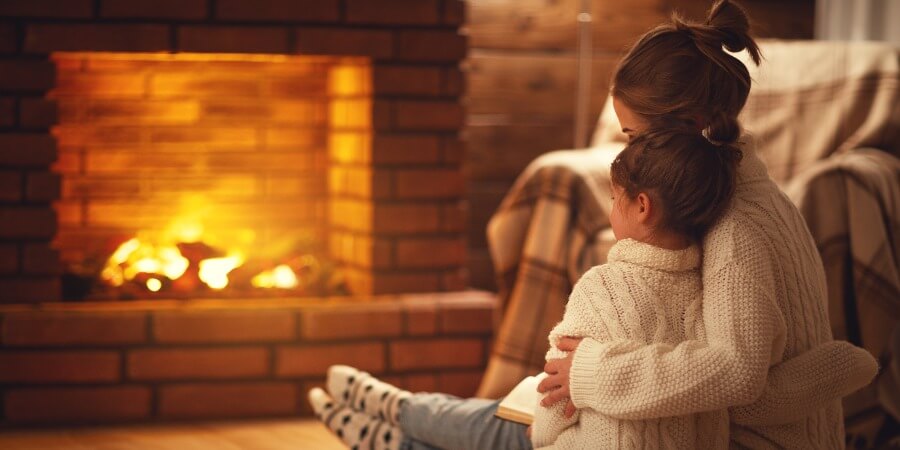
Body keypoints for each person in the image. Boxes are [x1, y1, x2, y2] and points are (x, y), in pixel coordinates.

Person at [307, 0, 878, 448]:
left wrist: (594, 374)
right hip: (711, 423)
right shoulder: (751, 196)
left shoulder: (737, 229)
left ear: (695, 123)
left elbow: (736, 373)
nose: (628, 151)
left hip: (743, 443)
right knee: (531, 416)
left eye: (633, 136)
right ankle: (400, 423)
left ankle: (401, 419)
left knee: (523, 430)